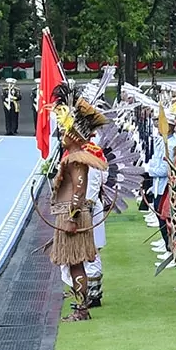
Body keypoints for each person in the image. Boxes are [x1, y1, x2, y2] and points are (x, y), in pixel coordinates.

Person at [48, 102, 107, 321]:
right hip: (71, 214)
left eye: (65, 131)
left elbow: (79, 192)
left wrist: (72, 219)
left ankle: (82, 309)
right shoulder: (72, 156)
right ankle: (80, 306)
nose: (62, 134)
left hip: (74, 216)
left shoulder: (77, 160)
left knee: (76, 264)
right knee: (73, 264)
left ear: (74, 135)